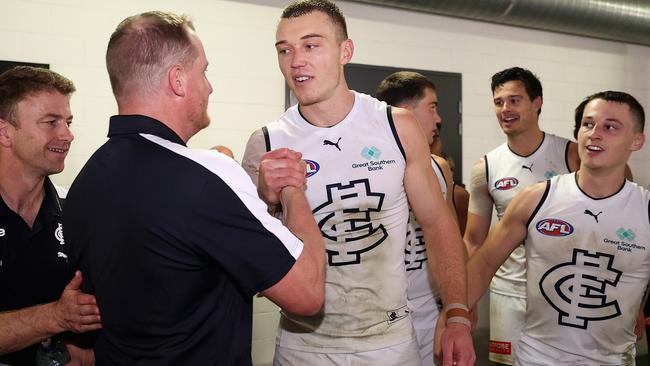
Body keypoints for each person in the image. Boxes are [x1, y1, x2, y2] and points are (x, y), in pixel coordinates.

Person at [64, 11, 324, 365]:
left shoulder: (86, 181)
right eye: (203, 71)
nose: (210, 86)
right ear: (178, 80)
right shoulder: (207, 174)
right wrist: (292, 186)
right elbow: (307, 294)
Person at [242, 2, 474, 365]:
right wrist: (267, 201)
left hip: (388, 340)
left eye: (311, 45)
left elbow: (438, 225)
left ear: (345, 51)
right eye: (285, 49)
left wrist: (457, 312)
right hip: (302, 344)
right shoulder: (267, 143)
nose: (296, 60)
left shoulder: (395, 126)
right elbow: (248, 258)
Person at [461, 90, 649, 364]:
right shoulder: (535, 198)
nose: (594, 133)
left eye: (610, 127)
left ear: (636, 141)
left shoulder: (644, 210)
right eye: (588, 124)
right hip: (537, 358)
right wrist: (455, 314)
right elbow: (484, 263)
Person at [463, 66, 579, 365]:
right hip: (508, 293)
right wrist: (465, 300)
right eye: (499, 102)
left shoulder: (571, 155)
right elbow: (474, 239)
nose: (505, 109)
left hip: (563, 291)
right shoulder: (485, 167)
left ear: (536, 102)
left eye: (514, 100)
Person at [0, 66, 100, 365]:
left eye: (68, 122)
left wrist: (90, 354)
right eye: (51, 122)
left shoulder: (78, 211)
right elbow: (65, 314)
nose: (67, 135)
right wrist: (55, 316)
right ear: (5, 132)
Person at [375, 70, 457, 366]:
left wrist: (455, 308)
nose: (438, 119)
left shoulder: (439, 168)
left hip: (429, 312)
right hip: (380, 317)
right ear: (407, 113)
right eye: (432, 107)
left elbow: (450, 240)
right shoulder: (367, 166)